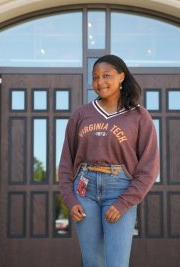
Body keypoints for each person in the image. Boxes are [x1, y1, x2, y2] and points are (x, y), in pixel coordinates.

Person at [58, 54, 159, 267]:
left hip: (120, 189)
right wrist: (70, 199)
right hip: (85, 190)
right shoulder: (81, 114)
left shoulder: (139, 116)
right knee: (92, 262)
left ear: (121, 77)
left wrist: (125, 201)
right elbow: (67, 161)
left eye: (106, 76)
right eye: (95, 77)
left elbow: (149, 167)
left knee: (117, 263)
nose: (100, 82)